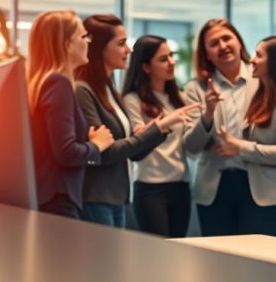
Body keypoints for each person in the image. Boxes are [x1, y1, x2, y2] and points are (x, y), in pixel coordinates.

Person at [75, 14, 194, 228]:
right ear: (99, 48)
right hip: (97, 198)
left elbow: (134, 152)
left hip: (117, 198)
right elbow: (104, 153)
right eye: (121, 44)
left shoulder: (109, 90)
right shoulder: (83, 90)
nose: (129, 50)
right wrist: (160, 126)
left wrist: (154, 131)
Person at [210, 36, 276, 237]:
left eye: (259, 55)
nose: (251, 59)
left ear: (275, 62)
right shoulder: (262, 96)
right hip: (256, 196)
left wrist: (239, 147)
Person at [27, 10, 114, 219]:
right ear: (66, 44)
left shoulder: (39, 83)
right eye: (84, 37)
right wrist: (97, 146)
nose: (88, 43)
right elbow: (65, 153)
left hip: (48, 198)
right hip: (58, 199)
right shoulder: (58, 83)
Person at [122, 35, 196, 237]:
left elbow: (190, 143)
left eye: (171, 56)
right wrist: (166, 122)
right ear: (146, 67)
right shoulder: (133, 100)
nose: (171, 63)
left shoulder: (179, 98)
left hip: (180, 185)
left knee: (178, 249)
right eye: (163, 59)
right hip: (150, 188)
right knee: (157, 253)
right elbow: (137, 142)